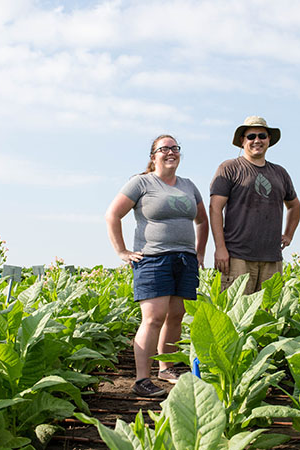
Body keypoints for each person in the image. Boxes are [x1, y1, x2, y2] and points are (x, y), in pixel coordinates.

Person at [105, 134, 208, 397]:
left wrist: (199, 253)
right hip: (153, 258)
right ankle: (142, 380)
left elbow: (202, 221)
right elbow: (113, 215)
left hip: (185, 259)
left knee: (176, 317)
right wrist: (122, 251)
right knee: (153, 318)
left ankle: (166, 368)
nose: (171, 152)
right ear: (153, 156)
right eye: (165, 149)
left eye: (175, 148)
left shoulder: (188, 185)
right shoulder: (141, 183)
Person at [210, 116, 300, 294]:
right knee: (236, 313)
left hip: (272, 258)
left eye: (262, 136)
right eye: (251, 136)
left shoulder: (280, 173)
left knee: (267, 315)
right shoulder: (229, 168)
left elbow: (294, 205)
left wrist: (289, 234)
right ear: (242, 141)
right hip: (237, 256)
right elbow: (215, 208)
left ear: (269, 140)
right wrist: (220, 248)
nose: (257, 140)